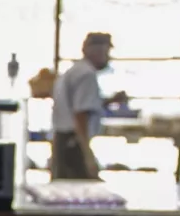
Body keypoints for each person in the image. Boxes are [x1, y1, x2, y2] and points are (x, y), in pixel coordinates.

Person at [51, 32, 126, 180]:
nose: (108, 58)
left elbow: (79, 105)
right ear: (97, 51)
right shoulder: (87, 75)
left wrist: (109, 101)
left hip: (63, 141)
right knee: (80, 192)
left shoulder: (74, 71)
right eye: (107, 52)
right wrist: (88, 154)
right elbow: (80, 115)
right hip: (74, 144)